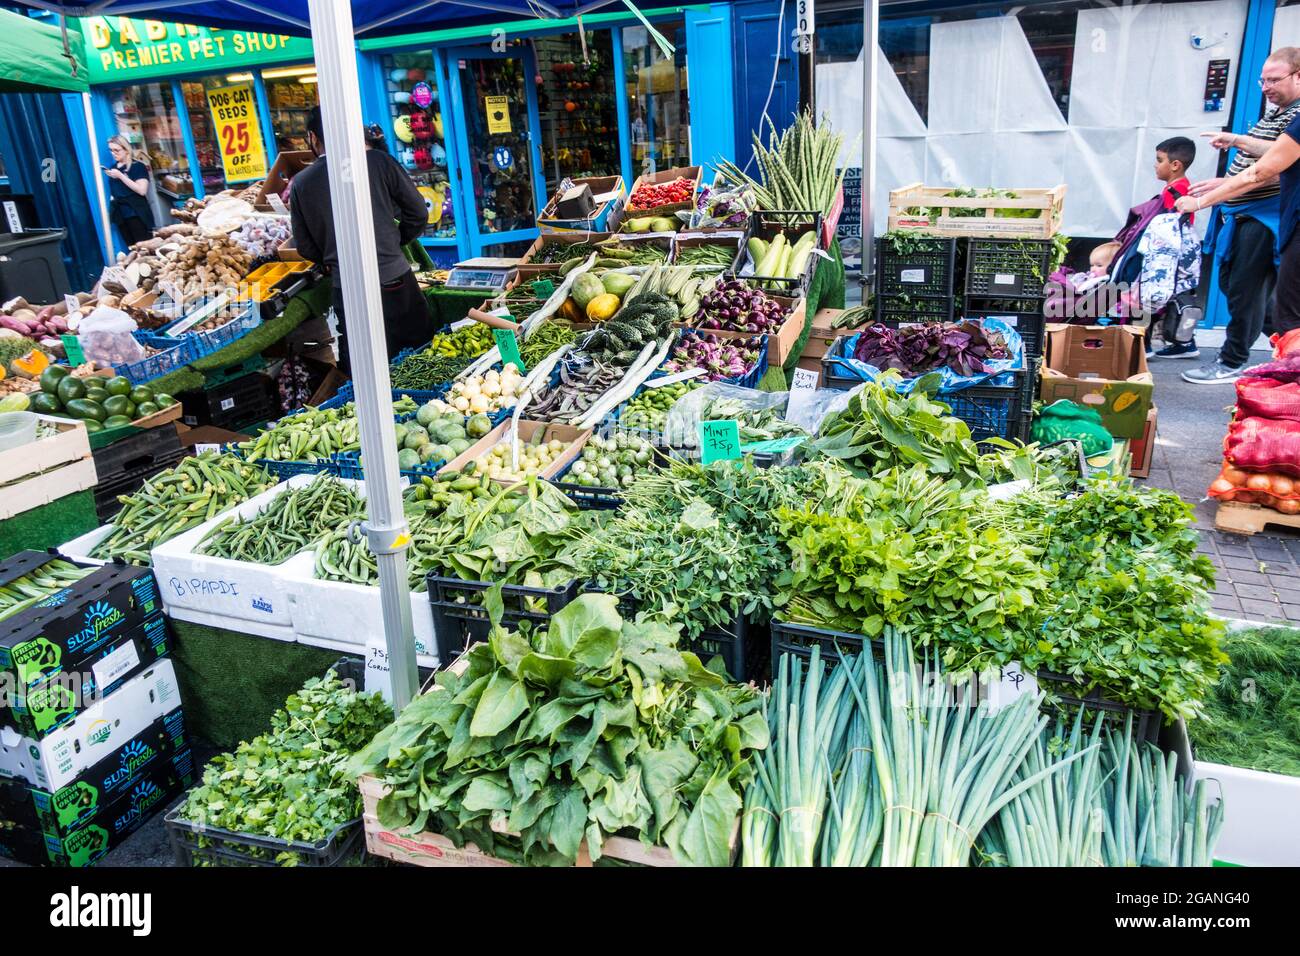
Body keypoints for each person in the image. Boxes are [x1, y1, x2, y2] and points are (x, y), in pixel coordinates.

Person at [1180, 48, 1300, 384]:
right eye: (1263, 79)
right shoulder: (1278, 113)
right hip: (1246, 212)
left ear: (1298, 76)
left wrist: (1205, 201)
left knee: (1246, 289)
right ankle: (1288, 357)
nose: (1266, 86)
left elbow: (1270, 169)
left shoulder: (1297, 114)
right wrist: (1225, 180)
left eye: (1275, 79)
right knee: (1259, 297)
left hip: (1265, 216)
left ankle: (1232, 360)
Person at [290, 106, 432, 374]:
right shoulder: (379, 162)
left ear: (312, 137)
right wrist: (395, 241)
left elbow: (305, 246)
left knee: (364, 365)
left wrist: (332, 257)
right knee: (420, 357)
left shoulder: (302, 182)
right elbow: (418, 212)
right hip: (394, 280)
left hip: (347, 289)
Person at [104, 135, 154, 247]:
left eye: (116, 150)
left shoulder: (138, 166)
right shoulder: (114, 168)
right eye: (111, 150)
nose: (113, 153)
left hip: (136, 213)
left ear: (126, 150)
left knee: (144, 247)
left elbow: (142, 190)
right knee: (131, 248)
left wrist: (121, 176)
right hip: (121, 215)